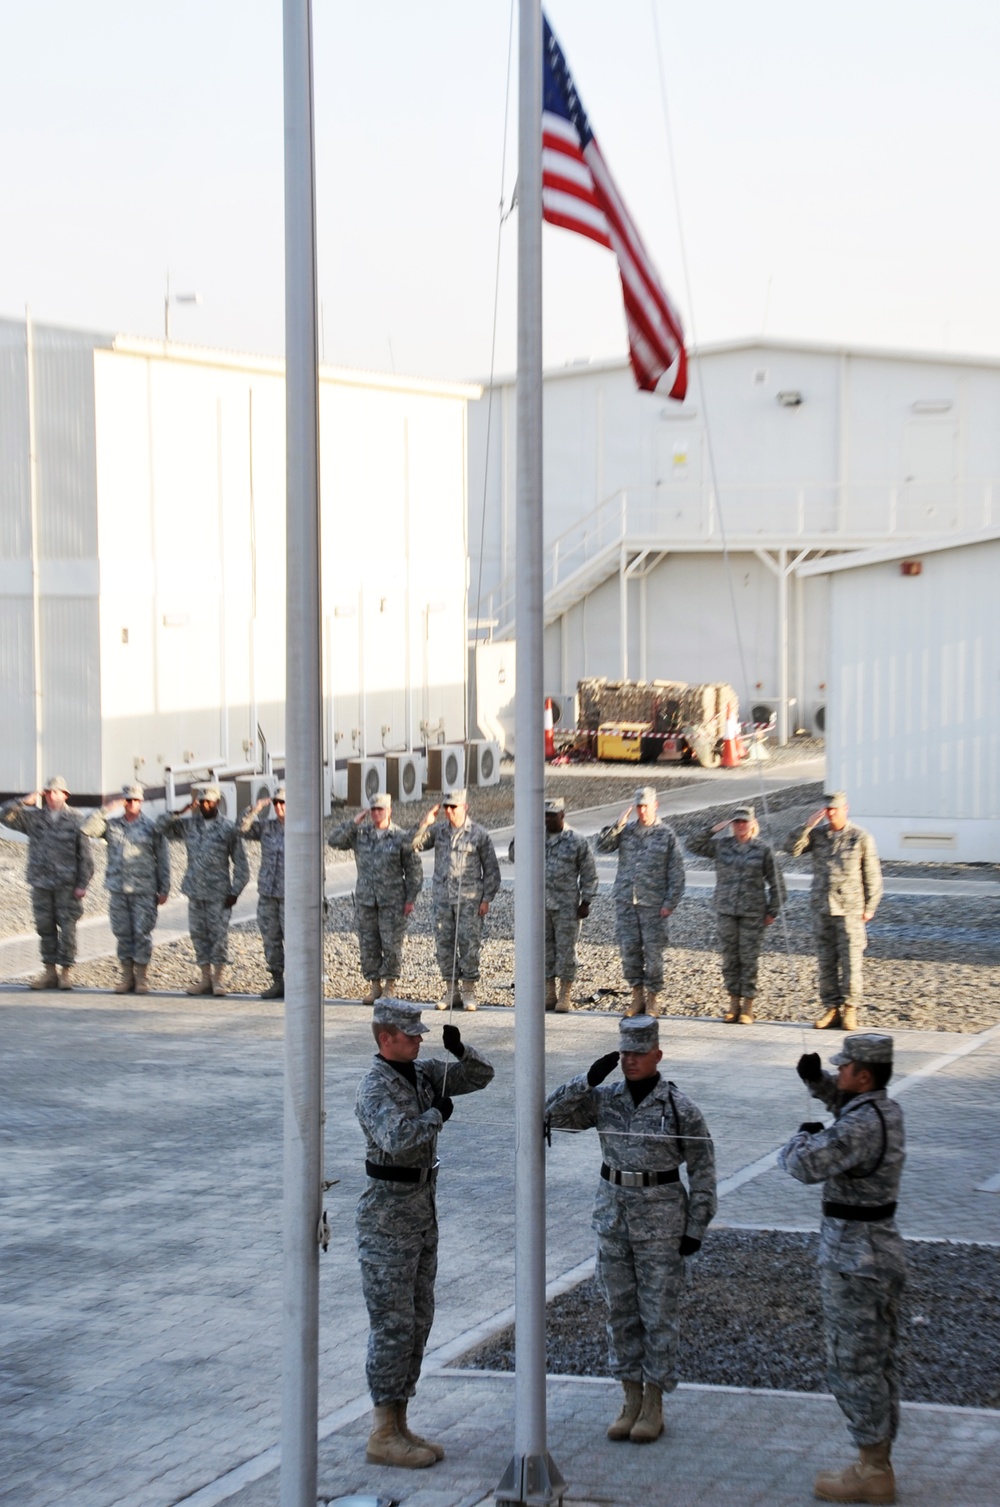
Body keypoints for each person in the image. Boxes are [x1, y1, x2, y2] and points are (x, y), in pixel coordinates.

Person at [545, 1014, 717, 1444]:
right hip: (614, 1218)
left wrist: (696, 1225)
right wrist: (585, 1079)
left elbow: (704, 1170)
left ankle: (654, 1401)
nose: (630, 1061)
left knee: (657, 1314)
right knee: (619, 1309)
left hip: (662, 1224)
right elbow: (550, 1115)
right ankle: (629, 1398)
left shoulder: (679, 1108)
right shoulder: (605, 1099)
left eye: (639, 1053)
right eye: (624, 1053)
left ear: (657, 1055)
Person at [355, 997, 494, 1468]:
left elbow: (480, 1077)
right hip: (387, 1218)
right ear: (384, 1038)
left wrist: (461, 1051)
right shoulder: (374, 1087)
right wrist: (436, 1114)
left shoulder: (419, 1073)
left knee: (417, 1321)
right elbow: (398, 1138)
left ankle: (399, 1422)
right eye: (409, 1034)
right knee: (391, 1326)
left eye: (421, 1034)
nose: (419, 1039)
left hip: (420, 1211)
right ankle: (381, 1431)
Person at [780, 1034, 906, 1504]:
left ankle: (872, 1469)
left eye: (845, 1068)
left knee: (851, 1363)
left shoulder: (859, 1127)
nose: (840, 1073)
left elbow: (803, 1165)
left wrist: (802, 1136)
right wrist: (817, 1082)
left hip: (855, 1260)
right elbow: (849, 1107)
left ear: (864, 1075)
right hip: (879, 1252)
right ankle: (877, 1461)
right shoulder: (884, 1111)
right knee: (878, 1361)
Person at [785, 791, 884, 1030]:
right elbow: (791, 849)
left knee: (851, 961)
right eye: (828, 810)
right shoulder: (818, 835)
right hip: (822, 908)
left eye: (835, 810)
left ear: (845, 809)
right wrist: (807, 826)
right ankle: (831, 1008)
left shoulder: (860, 837)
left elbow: (872, 874)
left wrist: (870, 906)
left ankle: (850, 1009)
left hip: (850, 909)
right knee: (826, 962)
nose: (831, 814)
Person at [686, 803, 785, 1024]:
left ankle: (748, 1005)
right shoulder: (722, 846)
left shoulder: (762, 849)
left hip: (753, 912)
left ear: (752, 824)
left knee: (748, 959)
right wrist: (714, 828)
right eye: (737, 822)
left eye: (745, 821)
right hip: (726, 910)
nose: (741, 825)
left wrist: (773, 910)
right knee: (730, 959)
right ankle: (733, 1003)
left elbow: (777, 882)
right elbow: (692, 844)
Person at [596, 785, 685, 1016]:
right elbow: (602, 846)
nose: (642, 811)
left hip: (653, 905)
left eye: (646, 806)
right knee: (630, 952)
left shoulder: (666, 835)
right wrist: (618, 825)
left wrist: (670, 903)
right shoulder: (626, 831)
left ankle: (653, 999)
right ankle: (637, 998)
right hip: (626, 901)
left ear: (655, 805)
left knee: (653, 954)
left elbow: (677, 872)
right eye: (638, 806)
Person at [328, 792, 423, 1004]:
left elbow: (414, 870)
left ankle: (390, 984)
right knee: (368, 943)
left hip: (392, 900)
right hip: (366, 900)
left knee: (391, 943)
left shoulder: (400, 836)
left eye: (380, 809)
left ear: (389, 811)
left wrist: (410, 898)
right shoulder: (361, 834)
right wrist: (354, 822)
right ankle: (374, 986)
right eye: (373, 810)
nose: (376, 813)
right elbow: (334, 840)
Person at [1, 775, 94, 990]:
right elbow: (3, 815)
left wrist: (82, 884)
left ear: (65, 795)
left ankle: (66, 972)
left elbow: (87, 856)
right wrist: (23, 801)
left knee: (67, 927)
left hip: (67, 884)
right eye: (48, 792)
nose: (52, 796)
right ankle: (49, 971)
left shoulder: (77, 819)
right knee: (45, 928)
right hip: (41, 882)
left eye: (56, 792)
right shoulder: (35, 818)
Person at [410, 789, 501, 1010]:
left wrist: (486, 898)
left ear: (465, 807)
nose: (449, 811)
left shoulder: (479, 834)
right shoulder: (439, 831)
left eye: (454, 807)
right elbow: (413, 844)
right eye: (446, 807)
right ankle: (452, 991)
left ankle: (469, 991)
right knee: (444, 944)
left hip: (470, 899)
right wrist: (425, 822)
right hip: (443, 898)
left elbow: (491, 870)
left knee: (469, 944)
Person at [156, 785, 249, 997]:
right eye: (202, 802)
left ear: (217, 802)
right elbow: (161, 827)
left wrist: (235, 891)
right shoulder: (189, 825)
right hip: (195, 890)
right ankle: (204, 979)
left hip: (219, 893)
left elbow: (241, 864)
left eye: (209, 801)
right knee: (198, 935)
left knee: (218, 936)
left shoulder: (228, 828)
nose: (205, 805)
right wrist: (180, 812)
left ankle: (218, 980)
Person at [507, 796, 598, 1011]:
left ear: (562, 815)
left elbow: (589, 873)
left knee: (566, 950)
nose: (546, 820)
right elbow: (514, 856)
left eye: (551, 816)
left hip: (567, 905)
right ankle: (550, 993)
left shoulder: (576, 840)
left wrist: (586, 901)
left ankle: (565, 995)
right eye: (544, 816)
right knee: (544, 950)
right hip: (539, 905)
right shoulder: (534, 837)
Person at [82, 783, 170, 994]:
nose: (131, 804)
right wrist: (105, 809)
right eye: (127, 800)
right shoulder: (111, 825)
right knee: (122, 933)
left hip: (144, 889)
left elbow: (163, 859)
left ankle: (141, 977)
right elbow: (86, 828)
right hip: (119, 888)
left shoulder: (152, 827)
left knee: (142, 933)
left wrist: (164, 887)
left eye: (135, 800)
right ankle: (126, 977)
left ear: (141, 801)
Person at [239, 785, 286, 999]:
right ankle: (277, 981)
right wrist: (255, 808)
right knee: (271, 939)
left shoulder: (303, 829)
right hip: (268, 893)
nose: (279, 807)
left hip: (291, 895)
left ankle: (297, 984)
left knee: (295, 941)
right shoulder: (267, 827)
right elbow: (241, 829)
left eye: (283, 803)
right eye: (276, 803)